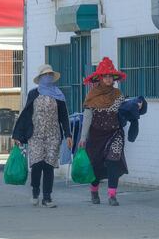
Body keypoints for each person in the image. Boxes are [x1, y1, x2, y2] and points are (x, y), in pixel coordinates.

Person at [12, 64, 72, 208]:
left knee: (48, 165)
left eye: (50, 75)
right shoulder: (33, 93)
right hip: (36, 135)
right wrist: (18, 135)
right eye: (45, 75)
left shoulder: (58, 95)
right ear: (40, 78)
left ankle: (47, 197)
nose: (48, 77)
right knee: (37, 164)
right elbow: (26, 114)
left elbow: (64, 116)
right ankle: (35, 191)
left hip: (53, 135)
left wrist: (68, 134)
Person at [79, 57, 128, 206]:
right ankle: (94, 191)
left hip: (114, 133)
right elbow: (87, 117)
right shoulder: (92, 95)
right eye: (105, 76)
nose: (108, 79)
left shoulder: (118, 94)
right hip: (95, 135)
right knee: (96, 165)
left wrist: (137, 106)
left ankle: (112, 195)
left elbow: (125, 111)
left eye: (110, 76)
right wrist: (83, 137)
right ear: (100, 78)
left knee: (113, 161)